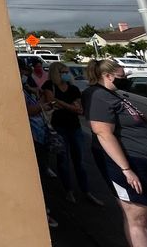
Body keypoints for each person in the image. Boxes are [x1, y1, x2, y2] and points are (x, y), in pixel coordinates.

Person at [83, 59, 147, 247]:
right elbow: (103, 133)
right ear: (107, 76)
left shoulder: (113, 95)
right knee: (137, 218)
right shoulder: (98, 96)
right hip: (131, 162)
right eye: (121, 76)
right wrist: (126, 169)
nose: (125, 79)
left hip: (145, 161)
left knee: (141, 217)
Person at [41, 62, 103, 205]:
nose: (67, 74)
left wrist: (59, 102)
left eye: (67, 71)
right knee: (63, 161)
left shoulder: (74, 88)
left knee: (79, 161)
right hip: (58, 128)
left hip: (74, 127)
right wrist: (65, 105)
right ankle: (68, 191)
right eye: (64, 71)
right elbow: (51, 103)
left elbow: (79, 110)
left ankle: (86, 190)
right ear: (57, 73)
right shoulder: (49, 86)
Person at [18, 60, 58, 228]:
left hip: (38, 136)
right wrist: (43, 106)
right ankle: (41, 210)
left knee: (38, 174)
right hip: (33, 137)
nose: (24, 75)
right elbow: (28, 110)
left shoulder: (24, 89)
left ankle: (43, 209)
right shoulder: (21, 90)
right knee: (35, 176)